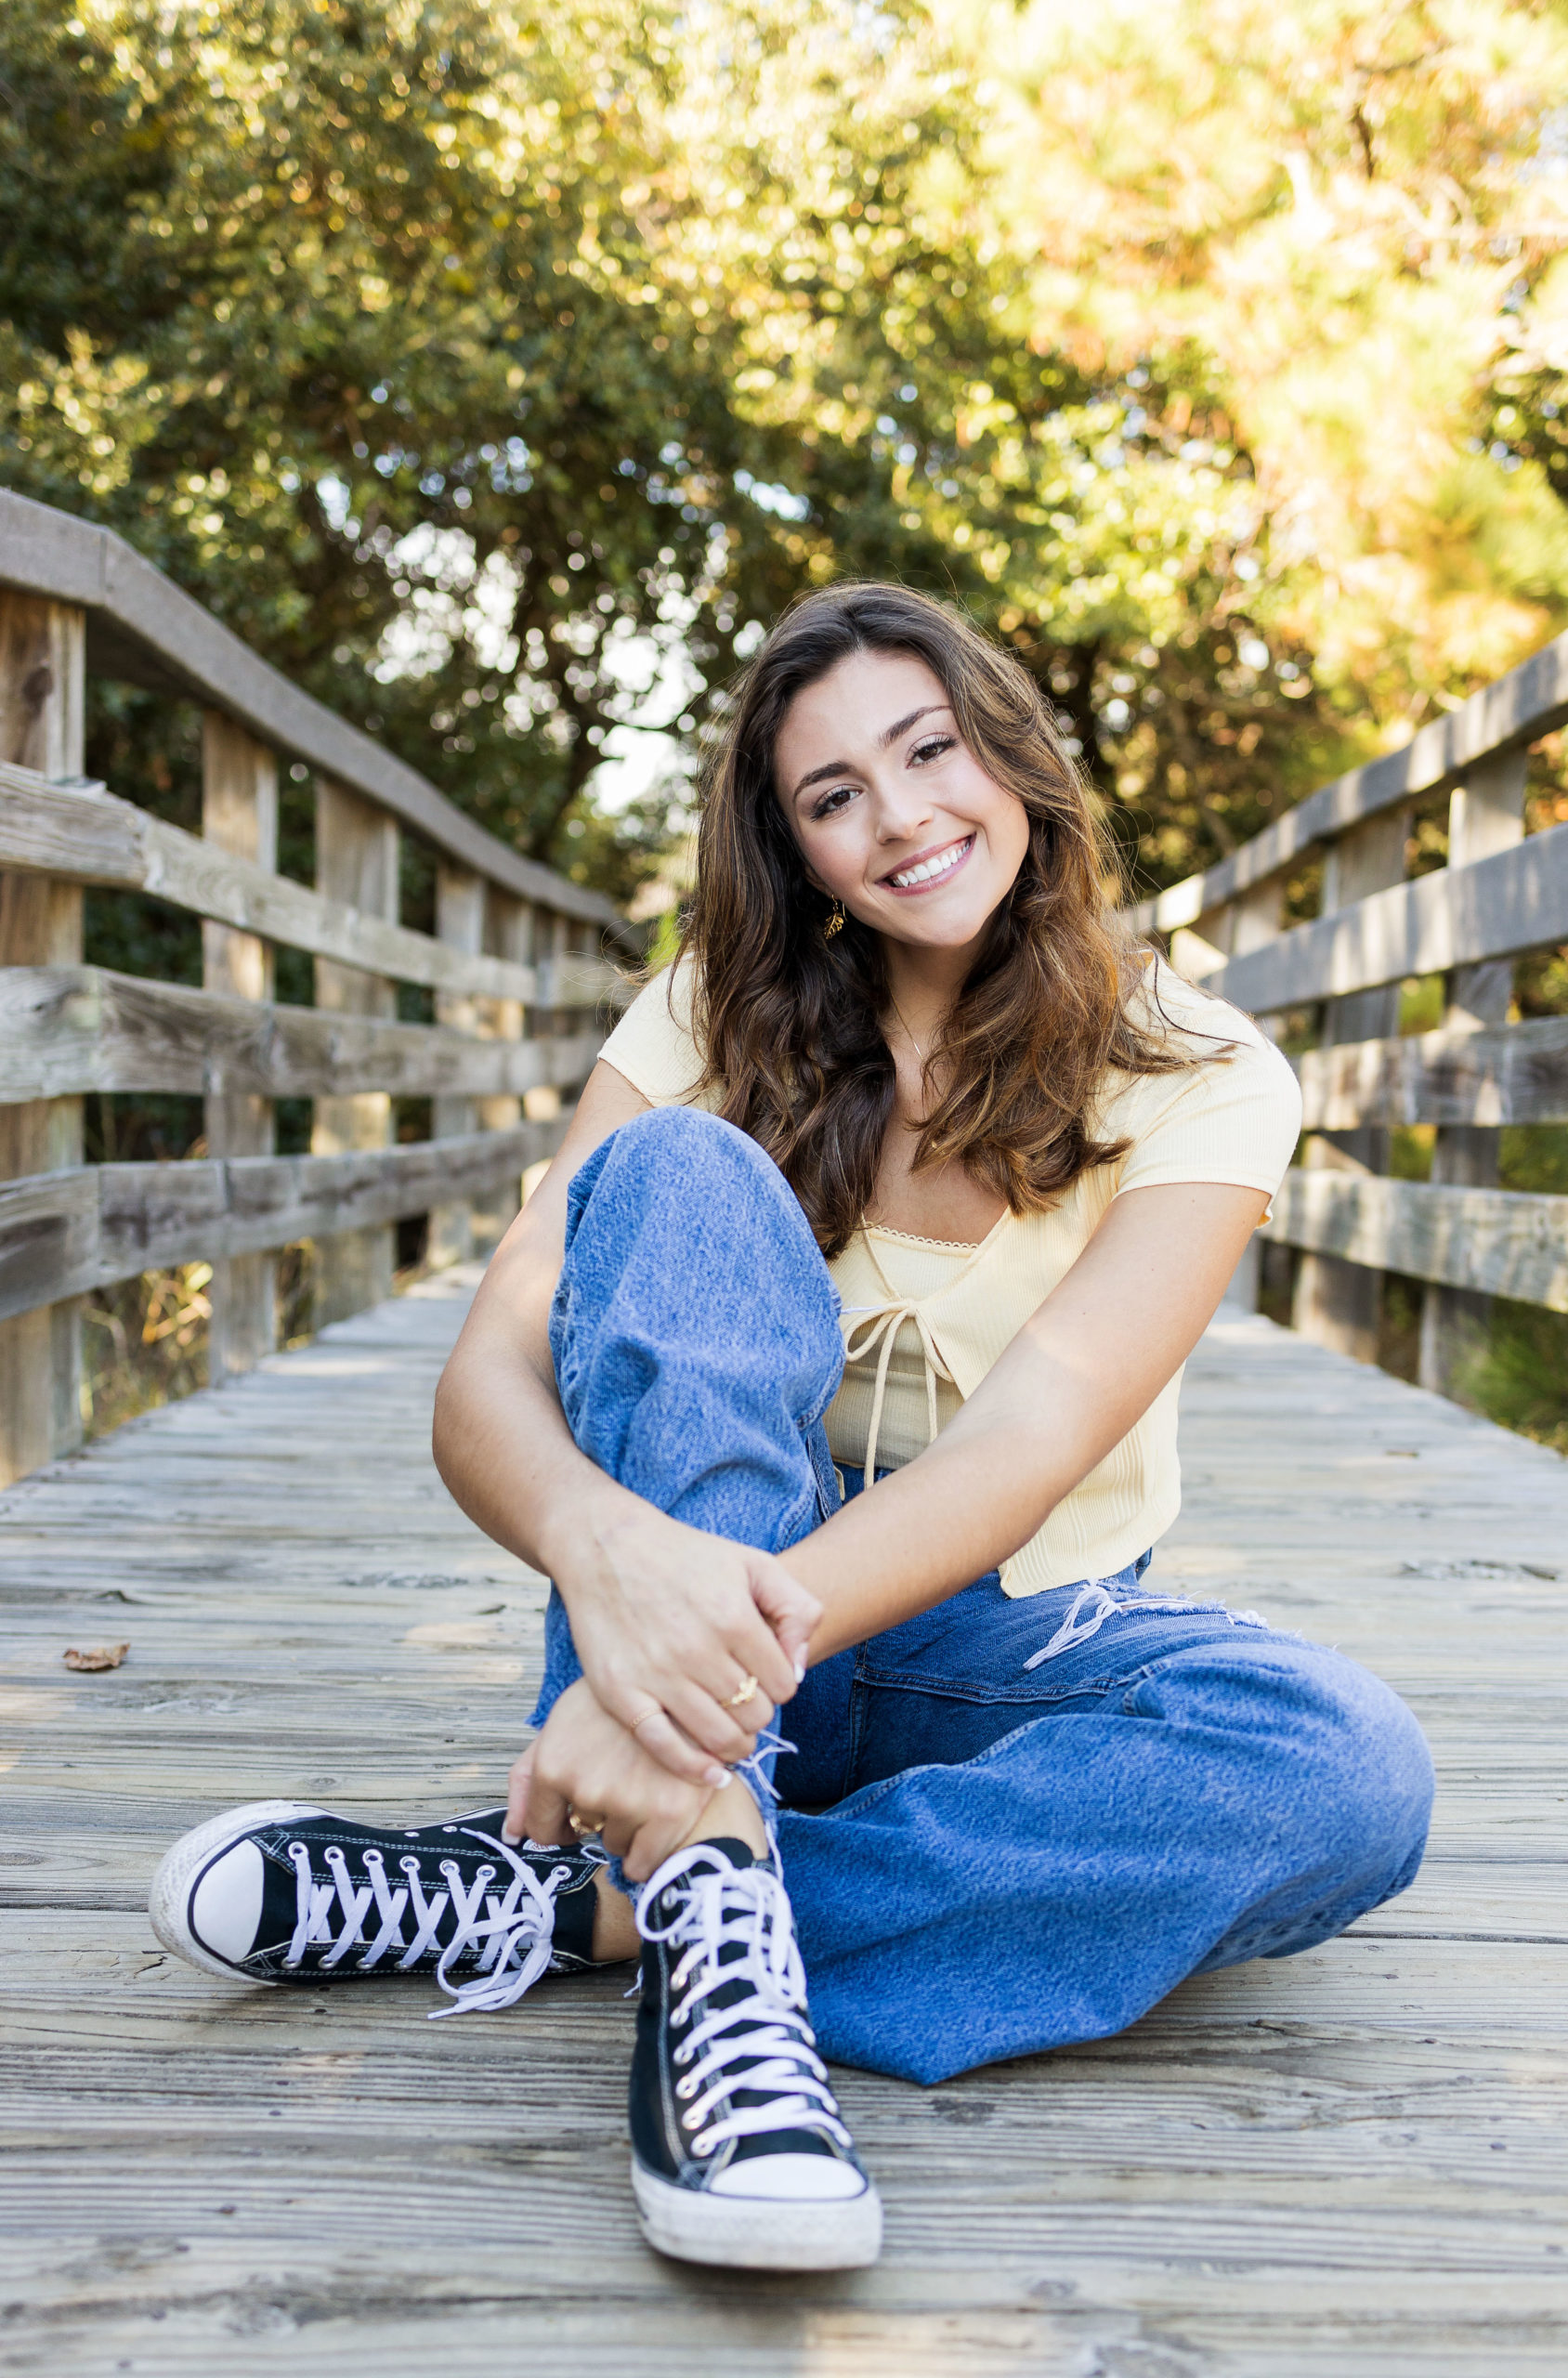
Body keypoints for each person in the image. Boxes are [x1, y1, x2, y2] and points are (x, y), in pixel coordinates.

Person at [150, 584, 1435, 2275]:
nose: (900, 819)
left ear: (1015, 755)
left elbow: (1027, 1443)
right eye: (835, 797)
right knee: (681, 1176)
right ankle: (719, 1921)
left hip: (997, 1636)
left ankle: (619, 1895)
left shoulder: (1202, 1070)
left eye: (930, 750)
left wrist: (695, 1672)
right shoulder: (708, 1014)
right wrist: (604, 1549)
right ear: (797, 849)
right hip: (703, 1569)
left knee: (1346, 1766)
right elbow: (485, 1382)